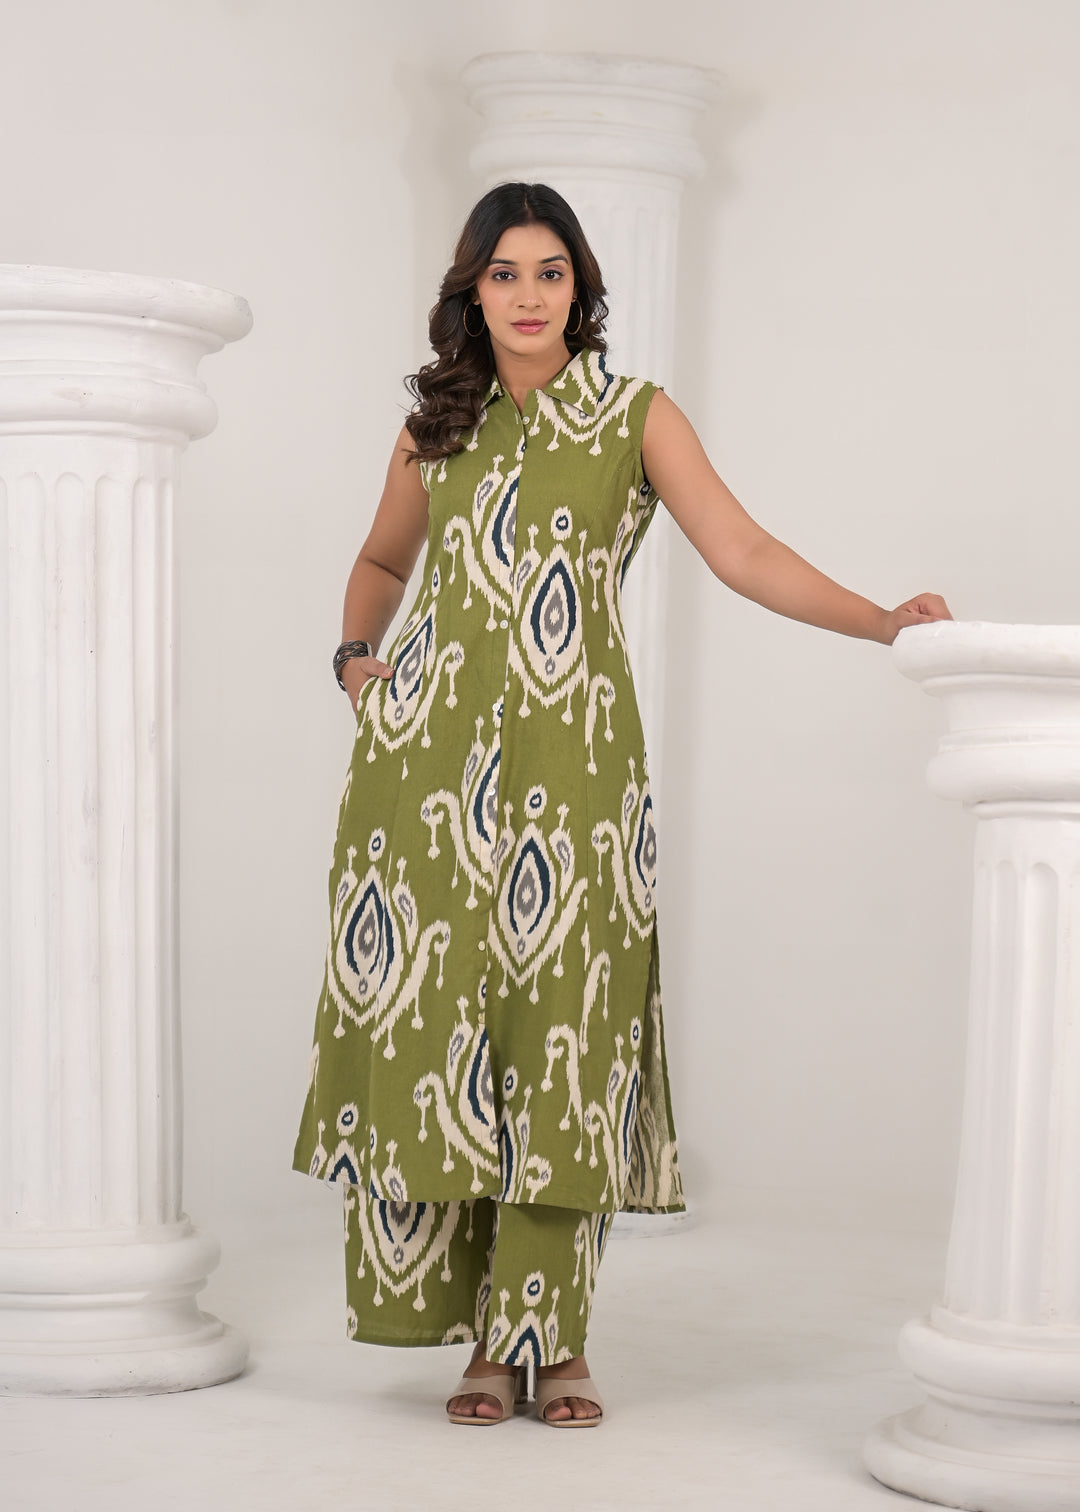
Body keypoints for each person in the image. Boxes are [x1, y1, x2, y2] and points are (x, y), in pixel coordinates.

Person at [291, 181, 953, 1428]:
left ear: (579, 289)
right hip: (423, 772)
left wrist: (879, 620)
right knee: (441, 1030)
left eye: (550, 273)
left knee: (563, 1030)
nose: (528, 296)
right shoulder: (438, 426)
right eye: (504, 274)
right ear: (472, 291)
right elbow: (382, 560)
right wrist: (356, 659)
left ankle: (556, 1341)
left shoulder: (635, 417)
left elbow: (743, 552)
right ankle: (480, 1345)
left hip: (576, 772)